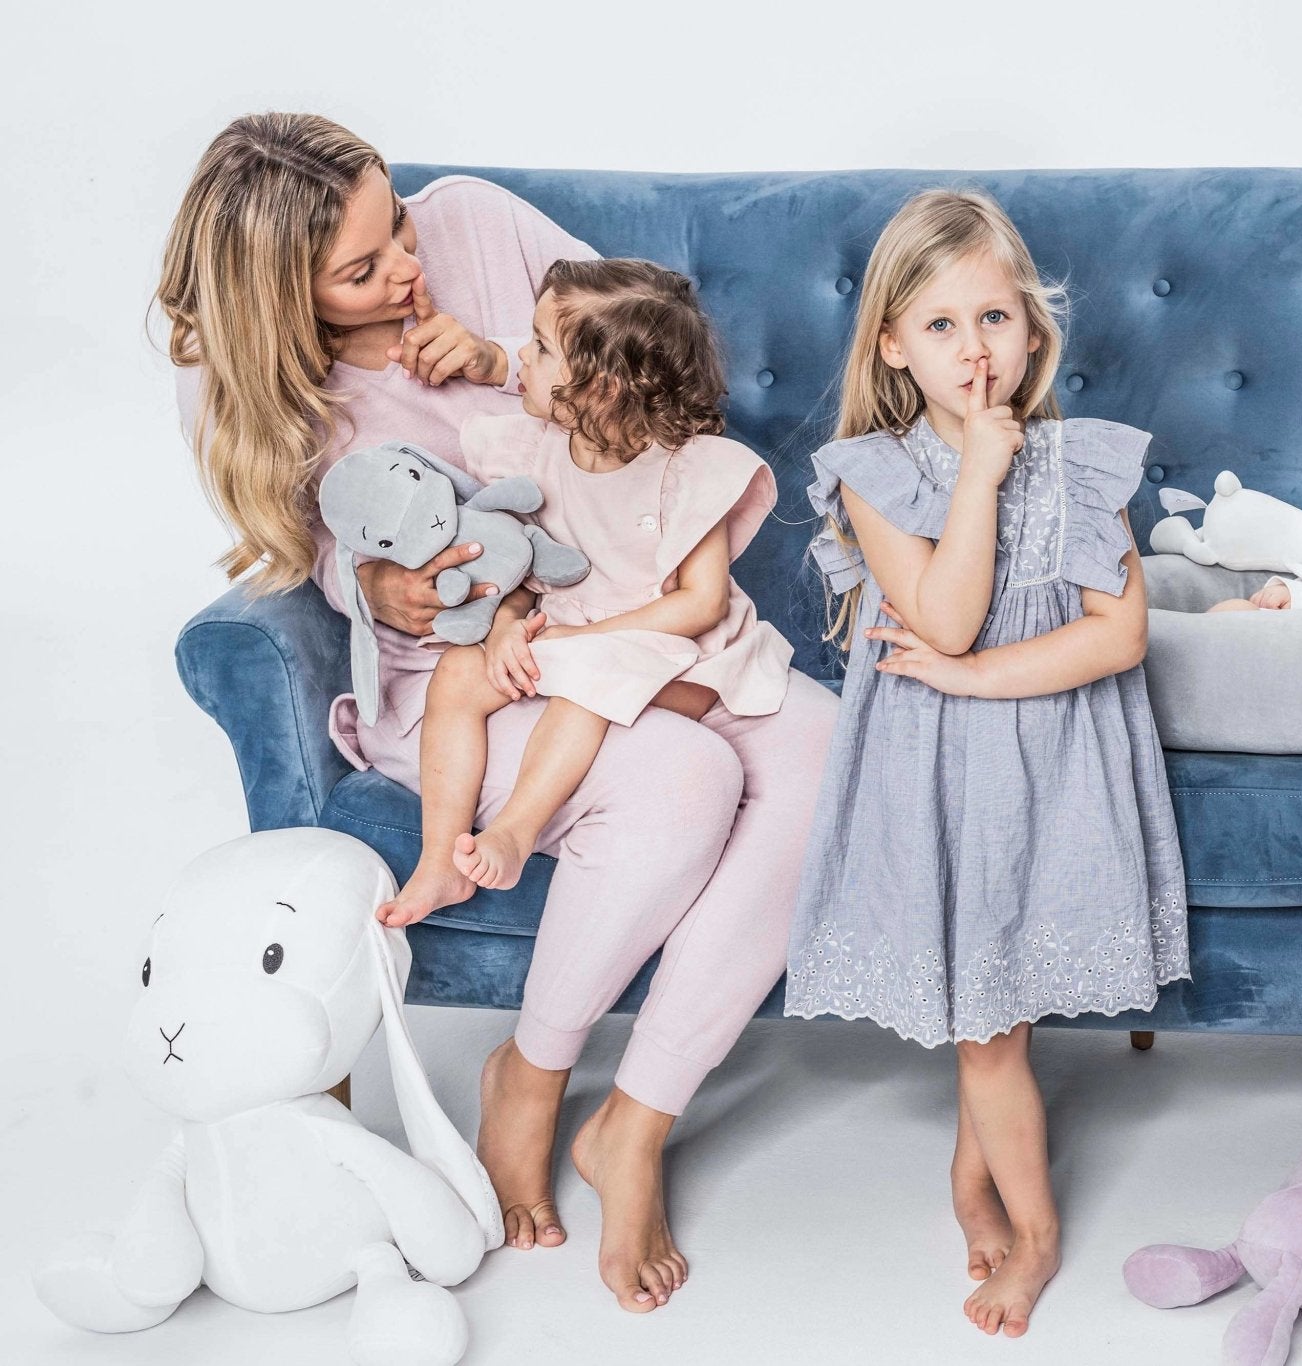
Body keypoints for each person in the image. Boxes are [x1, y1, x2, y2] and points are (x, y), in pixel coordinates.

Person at [159, 113, 835, 1313]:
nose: (406, 269)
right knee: (677, 776)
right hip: (464, 677)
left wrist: (499, 367)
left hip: (619, 616)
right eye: (361, 272)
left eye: (397, 229)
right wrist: (371, 583)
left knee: (831, 759)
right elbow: (306, 546)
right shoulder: (249, 379)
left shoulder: (475, 218)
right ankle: (532, 1072)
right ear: (281, 302)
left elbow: (641, 374)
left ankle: (635, 1117)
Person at [783, 188, 1190, 1338]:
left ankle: (1006, 1204)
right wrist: (975, 476)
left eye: (995, 320)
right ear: (895, 347)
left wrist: (971, 679)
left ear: (1032, 329)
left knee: (993, 1013)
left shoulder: (1075, 464)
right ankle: (1018, 1207)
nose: (975, 350)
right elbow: (948, 615)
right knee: (983, 1020)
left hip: (1050, 763)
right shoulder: (877, 472)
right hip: (938, 779)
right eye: (944, 326)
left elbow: (1116, 634)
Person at [377, 258, 795, 920]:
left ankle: (515, 831)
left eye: (540, 348)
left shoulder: (685, 468)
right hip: (570, 629)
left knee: (587, 683)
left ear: (598, 387)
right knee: (458, 674)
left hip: (674, 646)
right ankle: (438, 863)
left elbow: (701, 603)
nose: (523, 358)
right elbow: (520, 561)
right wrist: (509, 624)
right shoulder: (536, 450)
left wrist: (582, 640)